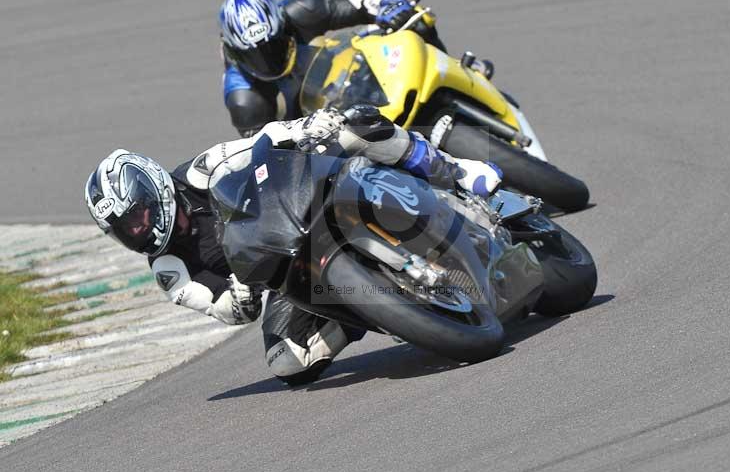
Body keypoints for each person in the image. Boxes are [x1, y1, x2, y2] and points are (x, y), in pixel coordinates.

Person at [85, 106, 502, 386]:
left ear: (150, 187)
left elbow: (263, 140)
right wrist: (241, 293)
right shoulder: (169, 267)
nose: (138, 230)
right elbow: (222, 310)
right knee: (287, 361)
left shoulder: (201, 170)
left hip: (309, 201)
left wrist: (307, 128)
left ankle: (457, 171)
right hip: (287, 271)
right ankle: (377, 312)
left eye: (137, 215)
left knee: (355, 127)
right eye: (125, 230)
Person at [220, 0, 482, 137]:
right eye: (254, 55)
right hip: (320, 125)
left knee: (414, 20)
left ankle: (458, 68)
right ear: (234, 52)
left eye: (273, 46)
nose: (268, 61)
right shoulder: (244, 100)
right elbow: (264, 153)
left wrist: (390, 6)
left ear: (282, 24)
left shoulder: (303, 10)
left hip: (350, 74)